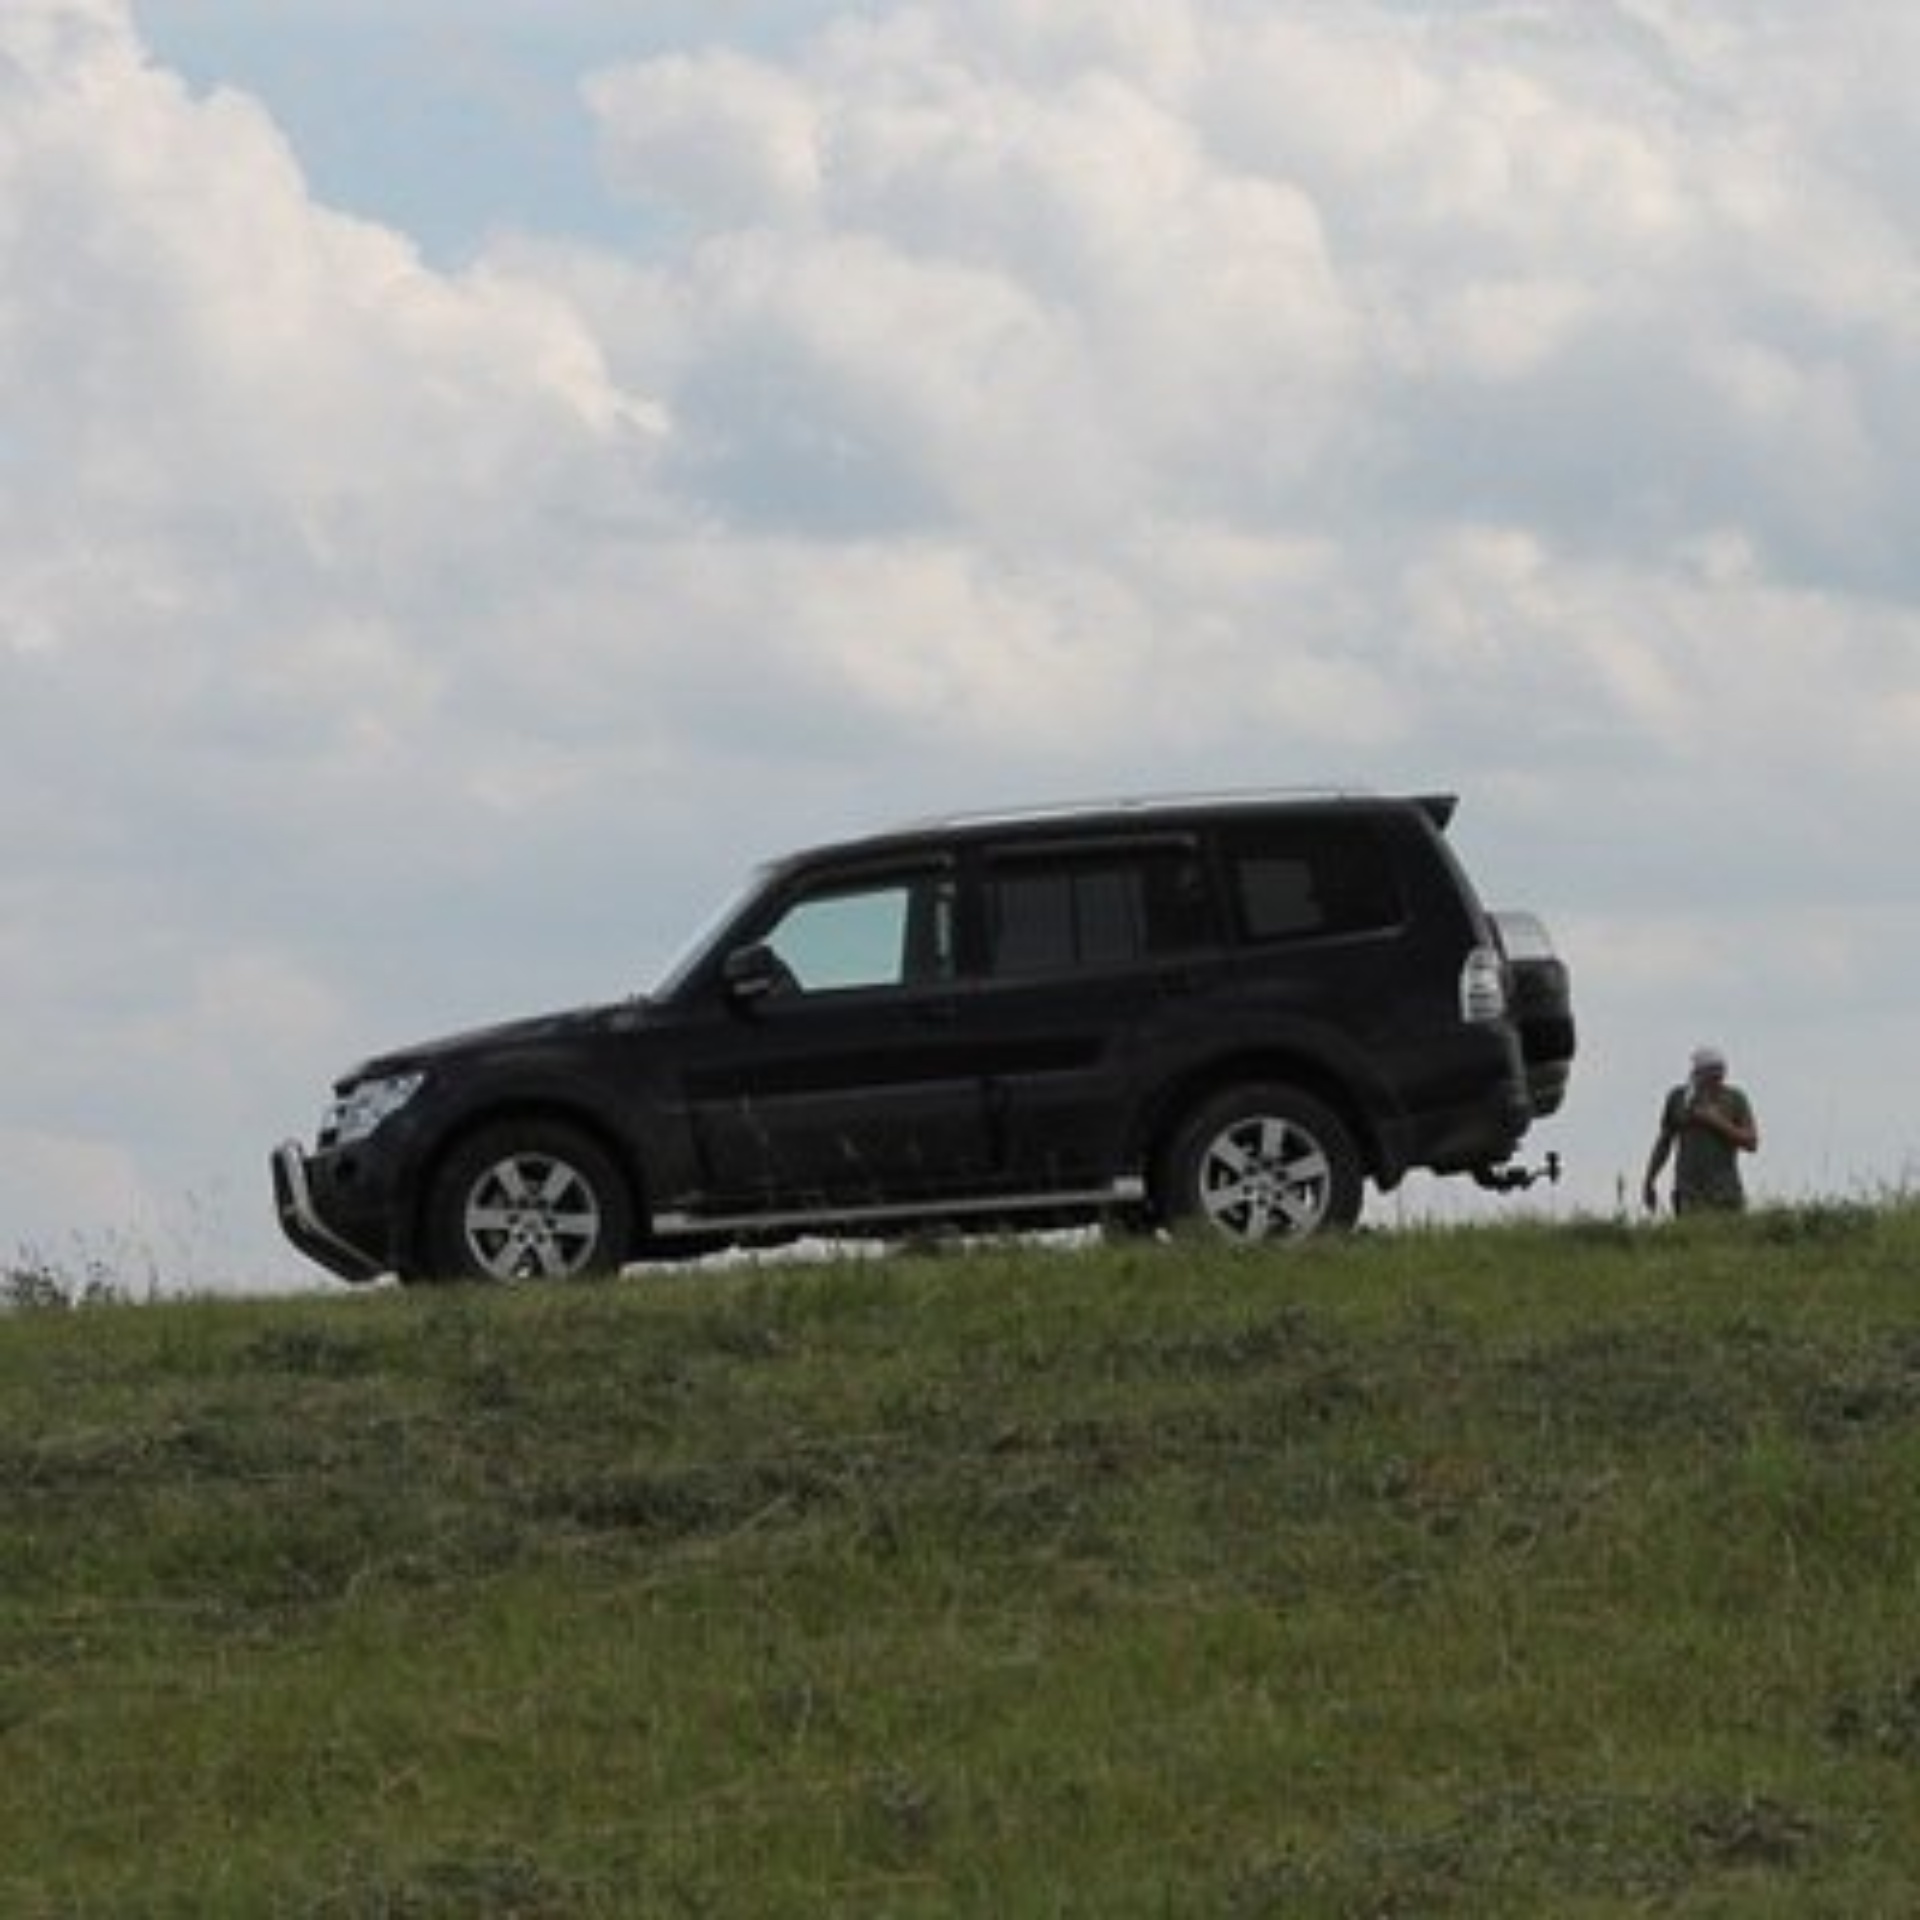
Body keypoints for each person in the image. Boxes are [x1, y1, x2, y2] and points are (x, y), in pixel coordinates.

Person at [1642, 1045, 1759, 1215]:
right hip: (1687, 1192)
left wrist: (1716, 1121)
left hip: (1725, 1193)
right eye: (1710, 1072)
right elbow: (1664, 1143)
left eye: (1720, 1071)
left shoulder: (1735, 1098)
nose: (1717, 1077)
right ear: (1697, 1072)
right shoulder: (1678, 1098)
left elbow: (1751, 1142)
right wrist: (1649, 1180)